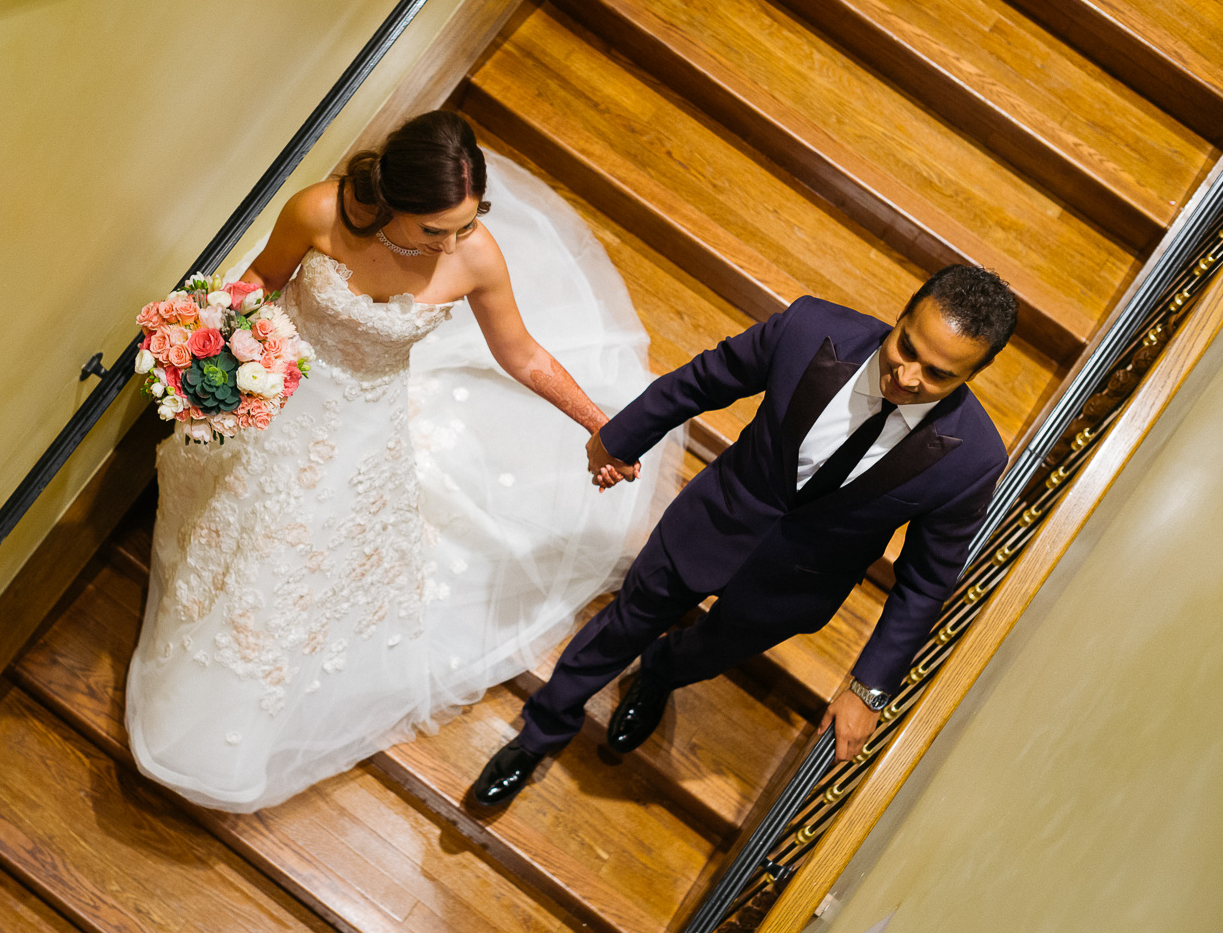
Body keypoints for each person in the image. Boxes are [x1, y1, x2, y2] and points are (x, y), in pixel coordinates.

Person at [125, 111, 681, 812]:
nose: (453, 244)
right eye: (434, 231)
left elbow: (524, 353)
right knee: (232, 533)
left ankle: (239, 708)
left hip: (361, 424)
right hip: (280, 392)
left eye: (469, 222)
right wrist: (219, 356)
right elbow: (262, 280)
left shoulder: (476, 257)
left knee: (291, 563)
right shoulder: (320, 213)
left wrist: (603, 424)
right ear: (390, 201)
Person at [473, 266, 1016, 807]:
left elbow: (925, 582)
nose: (908, 376)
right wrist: (620, 438)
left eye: (938, 375)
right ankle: (539, 732)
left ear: (974, 375)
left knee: (707, 654)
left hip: (795, 587)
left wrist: (868, 687)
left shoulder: (973, 459)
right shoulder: (809, 329)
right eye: (907, 347)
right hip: (713, 521)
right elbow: (704, 380)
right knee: (621, 626)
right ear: (900, 317)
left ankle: (659, 674)